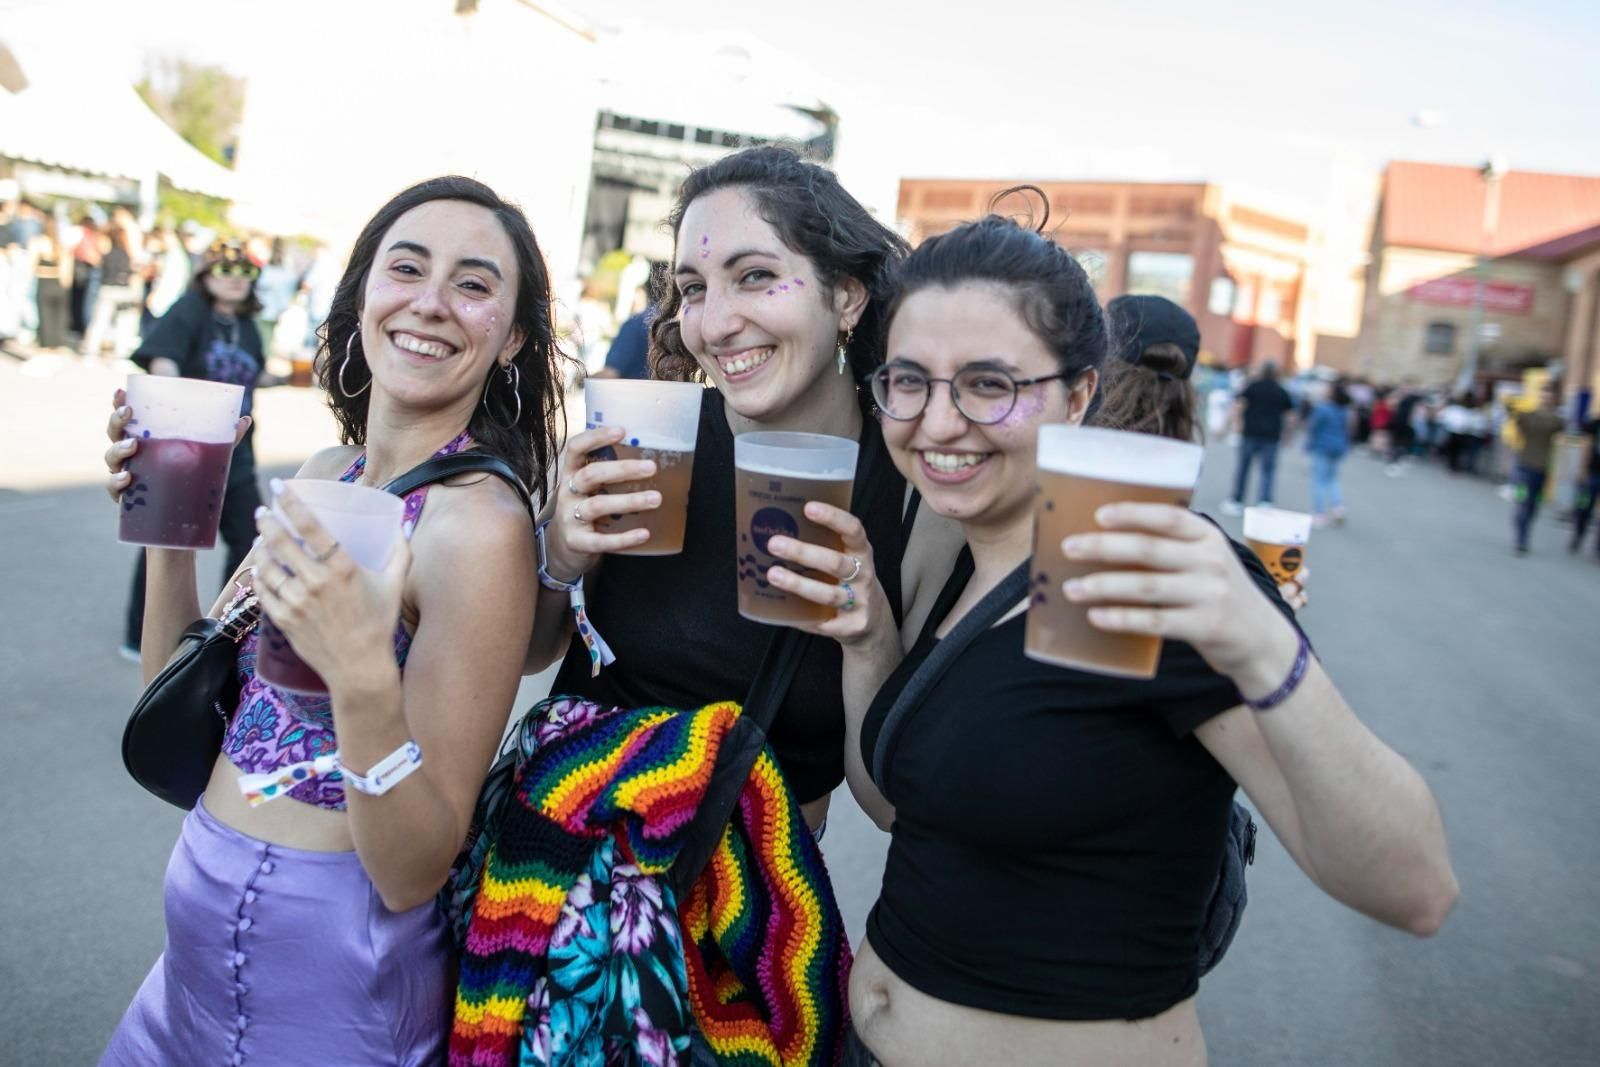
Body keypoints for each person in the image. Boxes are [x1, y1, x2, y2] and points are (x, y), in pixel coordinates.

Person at [747, 211, 1458, 1066]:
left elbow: (1415, 889)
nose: (937, 422)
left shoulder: (1147, 573)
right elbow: (904, 809)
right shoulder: (961, 571)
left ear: (1079, 394)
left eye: (988, 383)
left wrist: (1260, 641)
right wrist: (867, 642)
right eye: (910, 381)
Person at [455, 146, 961, 1061]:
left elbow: (889, 804)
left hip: (733, 939)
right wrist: (559, 553)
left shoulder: (913, 501)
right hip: (552, 896)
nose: (715, 321)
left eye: (755, 276)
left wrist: (868, 638)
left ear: (847, 296)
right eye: (693, 288)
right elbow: (528, 656)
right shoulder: (652, 438)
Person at [98, 175, 564, 1064]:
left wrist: (359, 675)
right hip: (182, 980)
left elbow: (414, 867)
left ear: (511, 337)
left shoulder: (478, 527)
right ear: (361, 297)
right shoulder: (327, 473)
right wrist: (168, 519)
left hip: (331, 993)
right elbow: (180, 705)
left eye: (472, 284)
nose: (430, 302)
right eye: (407, 268)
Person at [120, 240, 269, 661]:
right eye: (225, 270)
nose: (237, 279)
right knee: (166, 539)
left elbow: (253, 375)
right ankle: (140, 635)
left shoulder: (248, 325)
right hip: (187, 449)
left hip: (237, 455)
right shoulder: (189, 311)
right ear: (205, 275)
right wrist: (174, 410)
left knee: (248, 539)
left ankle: (227, 633)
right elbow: (163, 362)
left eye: (246, 272)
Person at [1220, 360, 1293, 514]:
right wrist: (1287, 434)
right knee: (1268, 470)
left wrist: (1235, 425)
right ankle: (1265, 501)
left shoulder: (1253, 386)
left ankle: (1237, 500)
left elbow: (1238, 405)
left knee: (1243, 468)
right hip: (1271, 436)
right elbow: (1289, 416)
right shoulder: (1281, 391)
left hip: (1250, 433)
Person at [1510, 380, 1568, 556]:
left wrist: (1560, 468)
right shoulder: (1528, 416)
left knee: (1533, 505)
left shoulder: (1558, 421)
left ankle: (1524, 527)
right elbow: (1517, 434)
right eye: (1543, 395)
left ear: (1554, 399)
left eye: (1549, 396)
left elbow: (1561, 444)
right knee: (1523, 501)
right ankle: (1521, 538)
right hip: (1524, 465)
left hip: (1542, 468)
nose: (1545, 398)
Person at [1304, 380, 1352, 526]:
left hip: (1323, 446)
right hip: (1339, 447)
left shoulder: (1323, 408)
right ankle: (1338, 507)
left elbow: (1313, 427)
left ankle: (1319, 513)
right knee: (1332, 479)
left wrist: (1309, 445)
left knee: (1319, 481)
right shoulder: (1344, 410)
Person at [29, 215, 72, 351]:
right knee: (58, 315)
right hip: (58, 283)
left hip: (45, 282)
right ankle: (57, 344)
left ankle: (46, 344)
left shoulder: (38, 242)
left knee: (45, 315)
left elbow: (31, 265)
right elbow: (66, 271)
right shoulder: (60, 245)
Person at [1570, 411, 1600, 558]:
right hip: (1592, 473)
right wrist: (1582, 470)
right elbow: (1586, 446)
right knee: (1583, 507)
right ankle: (1578, 534)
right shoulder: (1594, 424)